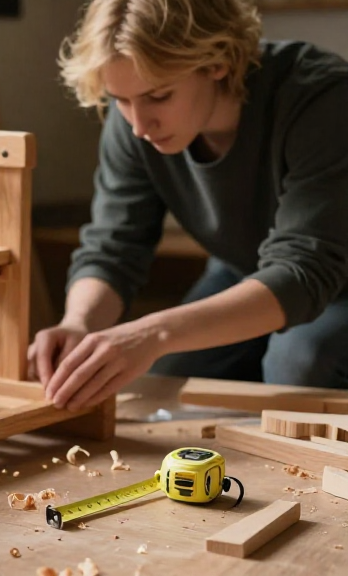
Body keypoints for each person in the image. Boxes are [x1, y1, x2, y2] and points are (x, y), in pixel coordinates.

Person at [30, 0, 348, 411]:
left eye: (158, 96)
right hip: (247, 269)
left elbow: (304, 272)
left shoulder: (324, 100)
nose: (139, 126)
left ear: (217, 62)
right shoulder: (133, 119)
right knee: (165, 377)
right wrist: (80, 324)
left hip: (335, 280)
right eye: (120, 100)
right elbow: (113, 247)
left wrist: (154, 333)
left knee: (300, 365)